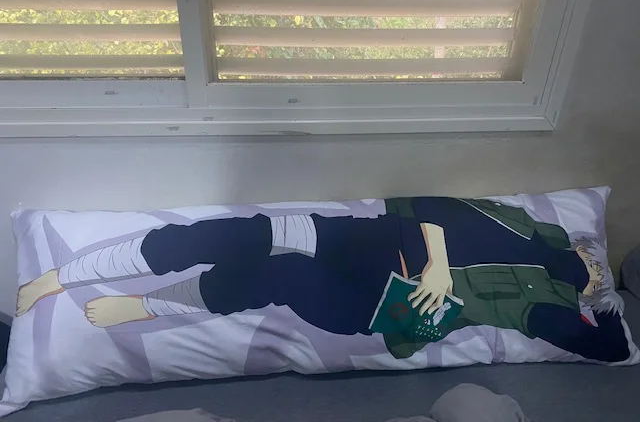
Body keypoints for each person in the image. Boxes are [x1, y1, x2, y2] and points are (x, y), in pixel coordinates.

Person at [16, 197, 629, 362]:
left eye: (600, 277)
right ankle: (66, 274)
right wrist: (439, 262)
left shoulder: (549, 306)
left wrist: (603, 307)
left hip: (387, 305)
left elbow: (611, 349)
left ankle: (148, 307)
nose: (595, 272)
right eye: (595, 262)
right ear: (580, 245)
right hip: (375, 241)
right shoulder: (529, 226)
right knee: (237, 235)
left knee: (276, 275)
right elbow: (427, 204)